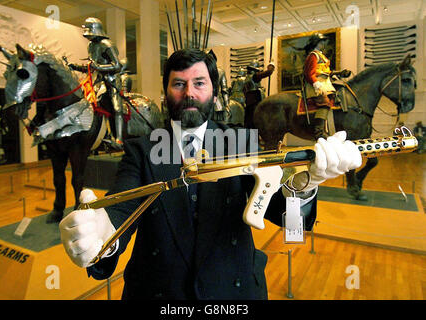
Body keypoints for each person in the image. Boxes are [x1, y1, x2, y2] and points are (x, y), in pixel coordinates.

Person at [59, 49, 362, 300]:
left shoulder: (241, 142)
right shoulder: (142, 149)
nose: (189, 93)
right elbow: (121, 206)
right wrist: (104, 235)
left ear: (214, 92)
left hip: (234, 294)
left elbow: (292, 227)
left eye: (199, 83)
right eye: (179, 83)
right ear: (166, 91)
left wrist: (306, 187)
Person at [69, 17, 124, 148]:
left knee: (117, 107)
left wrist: (98, 67)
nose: (88, 37)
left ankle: (119, 140)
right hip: (98, 81)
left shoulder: (107, 44)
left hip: (112, 80)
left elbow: (117, 66)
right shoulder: (91, 45)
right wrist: (75, 67)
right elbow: (91, 67)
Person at [243, 59, 275, 128]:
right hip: (254, 102)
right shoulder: (254, 77)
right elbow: (268, 72)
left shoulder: (247, 78)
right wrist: (271, 64)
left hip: (249, 103)